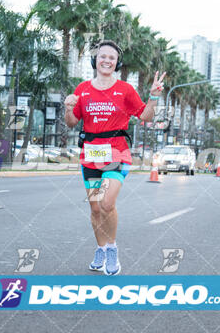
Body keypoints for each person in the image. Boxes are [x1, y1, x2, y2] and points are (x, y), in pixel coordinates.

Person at [64, 40, 166, 275]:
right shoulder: (83, 89)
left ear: (117, 63)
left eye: (112, 57)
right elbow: (72, 123)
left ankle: (112, 249)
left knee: (107, 203)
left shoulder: (125, 90)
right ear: (95, 60)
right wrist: (69, 108)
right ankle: (100, 249)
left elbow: (146, 116)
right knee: (95, 208)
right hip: (90, 155)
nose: (107, 60)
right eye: (103, 56)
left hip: (117, 152)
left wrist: (153, 97)